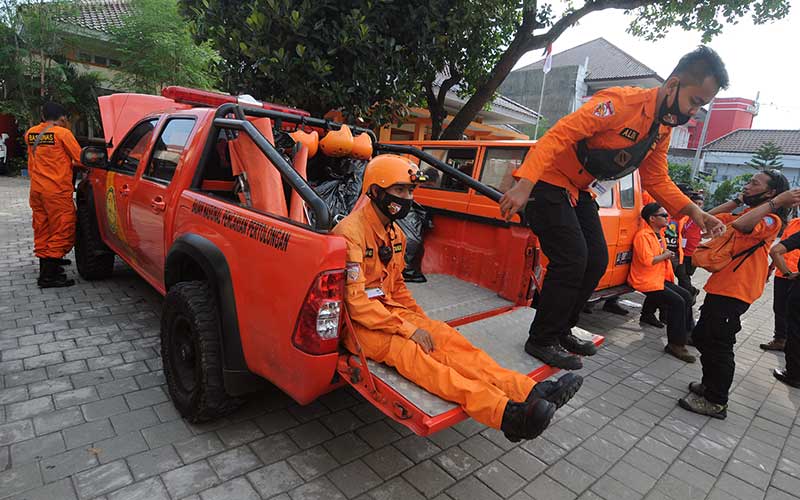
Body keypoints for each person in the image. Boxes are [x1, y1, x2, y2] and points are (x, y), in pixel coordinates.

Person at [498, 46, 728, 369]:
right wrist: (524, 184)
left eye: (701, 106)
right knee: (572, 258)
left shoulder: (662, 129)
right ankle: (542, 338)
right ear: (674, 85)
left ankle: (562, 329)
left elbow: (656, 178)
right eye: (695, 102)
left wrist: (694, 211)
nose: (693, 112)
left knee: (596, 261)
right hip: (547, 180)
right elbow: (559, 134)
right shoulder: (620, 103)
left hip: (579, 190)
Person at [333, 154, 583, 441]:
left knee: (451, 341)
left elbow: (397, 286)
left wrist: (423, 325)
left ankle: (526, 390)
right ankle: (506, 414)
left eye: (410, 191)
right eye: (399, 190)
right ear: (376, 191)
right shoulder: (350, 234)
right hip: (360, 326)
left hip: (391, 315)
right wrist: (409, 330)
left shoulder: (395, 235)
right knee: (421, 359)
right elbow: (357, 304)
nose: (407, 197)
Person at [679, 171, 800, 419]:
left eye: (754, 183)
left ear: (771, 193)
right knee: (703, 336)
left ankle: (716, 401)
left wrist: (776, 203)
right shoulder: (747, 211)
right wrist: (738, 199)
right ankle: (708, 384)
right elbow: (708, 217)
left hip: (737, 290)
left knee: (720, 343)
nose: (747, 184)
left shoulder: (771, 220)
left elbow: (743, 227)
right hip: (722, 286)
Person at [629, 203, 695, 362]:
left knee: (686, 295)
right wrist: (665, 256)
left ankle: (687, 334)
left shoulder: (658, 234)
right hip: (646, 280)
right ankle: (676, 344)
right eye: (664, 215)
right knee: (677, 302)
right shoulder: (643, 235)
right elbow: (647, 261)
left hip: (659, 278)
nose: (668, 218)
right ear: (652, 218)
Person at [25, 102, 81, 288]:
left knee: (42, 227)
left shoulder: (31, 133)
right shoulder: (63, 134)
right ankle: (49, 276)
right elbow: (80, 158)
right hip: (56, 191)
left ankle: (48, 265)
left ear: (43, 116)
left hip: (37, 191)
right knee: (62, 228)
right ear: (63, 118)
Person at [761, 214, 800, 351]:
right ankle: (780, 338)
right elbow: (780, 247)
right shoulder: (794, 223)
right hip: (783, 273)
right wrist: (771, 268)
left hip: (796, 275)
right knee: (779, 307)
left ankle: (791, 342)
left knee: (794, 311)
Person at [770, 220, 800, 388]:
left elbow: (775, 250)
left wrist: (789, 274)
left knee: (795, 329)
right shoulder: (794, 223)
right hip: (787, 278)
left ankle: (794, 374)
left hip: (796, 283)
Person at [676, 193, 706, 298]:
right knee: (681, 274)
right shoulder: (683, 216)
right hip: (680, 251)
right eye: (695, 203)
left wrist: (701, 237)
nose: (697, 206)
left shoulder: (703, 217)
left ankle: (685, 296)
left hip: (693, 252)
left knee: (686, 276)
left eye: (700, 204)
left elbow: (711, 232)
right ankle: (691, 291)